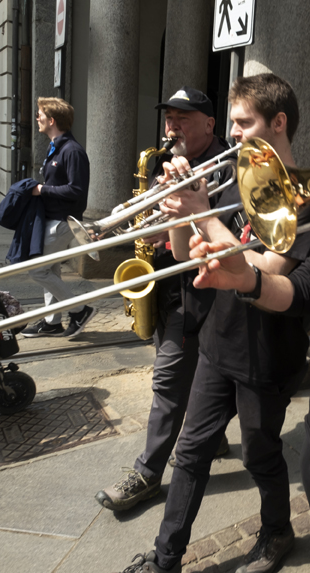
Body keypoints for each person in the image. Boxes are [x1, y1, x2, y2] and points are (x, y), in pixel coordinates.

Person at [94, 73, 310, 573]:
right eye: (232, 123)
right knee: (191, 453)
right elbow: (183, 254)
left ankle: (277, 530)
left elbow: (269, 269)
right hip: (218, 341)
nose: (235, 134)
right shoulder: (233, 179)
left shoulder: (307, 194)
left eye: (244, 123)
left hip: (269, 350)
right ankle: (164, 564)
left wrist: (204, 212)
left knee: (259, 453)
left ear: (279, 123)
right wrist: (182, 206)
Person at [94, 87, 234, 511]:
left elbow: (226, 236)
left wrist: (178, 224)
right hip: (166, 283)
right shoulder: (169, 163)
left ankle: (147, 473)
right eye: (169, 118)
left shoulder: (227, 168)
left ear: (210, 124)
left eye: (183, 118)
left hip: (201, 289)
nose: (171, 126)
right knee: (189, 374)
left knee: (168, 382)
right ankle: (213, 434)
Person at [19, 97, 95, 339]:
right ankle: (52, 322)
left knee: (37, 270)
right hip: (52, 219)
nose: (37, 118)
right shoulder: (56, 147)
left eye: (40, 114)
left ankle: (79, 310)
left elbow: (77, 190)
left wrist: (42, 190)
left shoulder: (72, 151)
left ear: (52, 120)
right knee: (50, 269)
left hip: (63, 221)